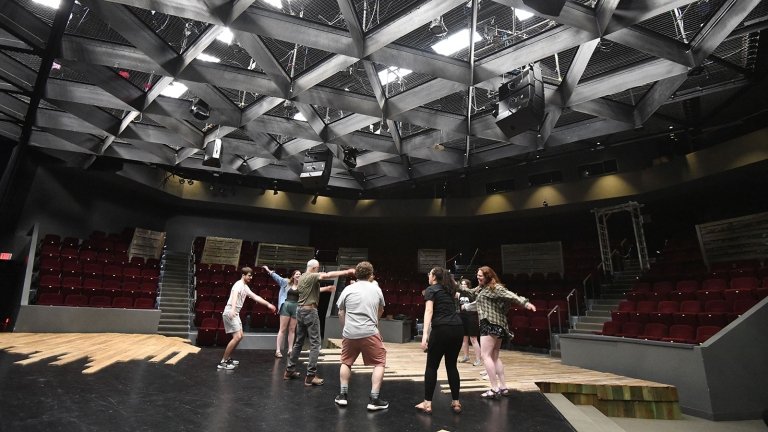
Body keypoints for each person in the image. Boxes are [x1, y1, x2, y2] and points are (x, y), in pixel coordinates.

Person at [457, 265, 535, 398]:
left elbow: (511, 295)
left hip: (490, 323)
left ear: (488, 276)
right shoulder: (482, 288)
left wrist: (525, 303)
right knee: (494, 356)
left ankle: (494, 388)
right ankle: (503, 387)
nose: (478, 277)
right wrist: (453, 284)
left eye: (480, 276)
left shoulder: (496, 288)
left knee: (485, 355)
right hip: (497, 325)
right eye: (477, 275)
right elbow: (469, 292)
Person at [284, 259, 355, 386]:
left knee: (298, 342)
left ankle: (289, 370)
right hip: (310, 312)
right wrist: (346, 271)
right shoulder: (312, 276)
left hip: (300, 311)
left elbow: (311, 291)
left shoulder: (302, 278)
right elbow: (327, 275)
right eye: (317, 269)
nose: (318, 271)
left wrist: (326, 288)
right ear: (313, 268)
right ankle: (311, 376)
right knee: (315, 344)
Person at [334, 261, 389, 411]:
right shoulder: (376, 289)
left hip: (350, 333)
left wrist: (346, 328)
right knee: (379, 362)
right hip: (370, 332)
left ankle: (343, 396)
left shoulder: (348, 289)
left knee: (346, 362)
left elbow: (340, 312)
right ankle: (374, 399)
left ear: (356, 274)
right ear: (371, 274)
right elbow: (381, 310)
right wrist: (375, 325)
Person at [415, 266, 464, 415]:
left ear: (434, 277)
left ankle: (427, 404)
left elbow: (429, 311)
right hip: (457, 328)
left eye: (429, 274)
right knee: (452, 366)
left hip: (441, 329)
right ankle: (456, 402)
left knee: (431, 367)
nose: (428, 277)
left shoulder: (431, 289)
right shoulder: (450, 289)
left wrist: (424, 335)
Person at [218, 266, 276, 370]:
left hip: (235, 312)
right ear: (243, 275)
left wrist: (268, 304)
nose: (251, 278)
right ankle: (223, 362)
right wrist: (233, 309)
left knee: (240, 336)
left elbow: (255, 297)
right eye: (249, 276)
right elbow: (234, 295)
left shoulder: (245, 287)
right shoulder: (238, 284)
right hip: (230, 312)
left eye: (251, 276)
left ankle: (228, 358)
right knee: (237, 337)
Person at [263, 265, 300, 358]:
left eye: (300, 274)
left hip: (296, 307)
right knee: (282, 329)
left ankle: (290, 349)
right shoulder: (286, 282)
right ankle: (278, 350)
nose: (298, 275)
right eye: (297, 274)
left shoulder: (302, 286)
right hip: (286, 306)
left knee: (292, 329)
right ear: (293, 275)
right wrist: (268, 270)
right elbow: (276, 277)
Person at [457, 278, 481, 367]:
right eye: (461, 284)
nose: (463, 286)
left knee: (473, 339)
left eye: (464, 284)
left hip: (472, 317)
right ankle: (466, 356)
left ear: (468, 286)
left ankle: (478, 359)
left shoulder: (472, 294)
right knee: (464, 339)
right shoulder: (459, 294)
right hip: (462, 317)